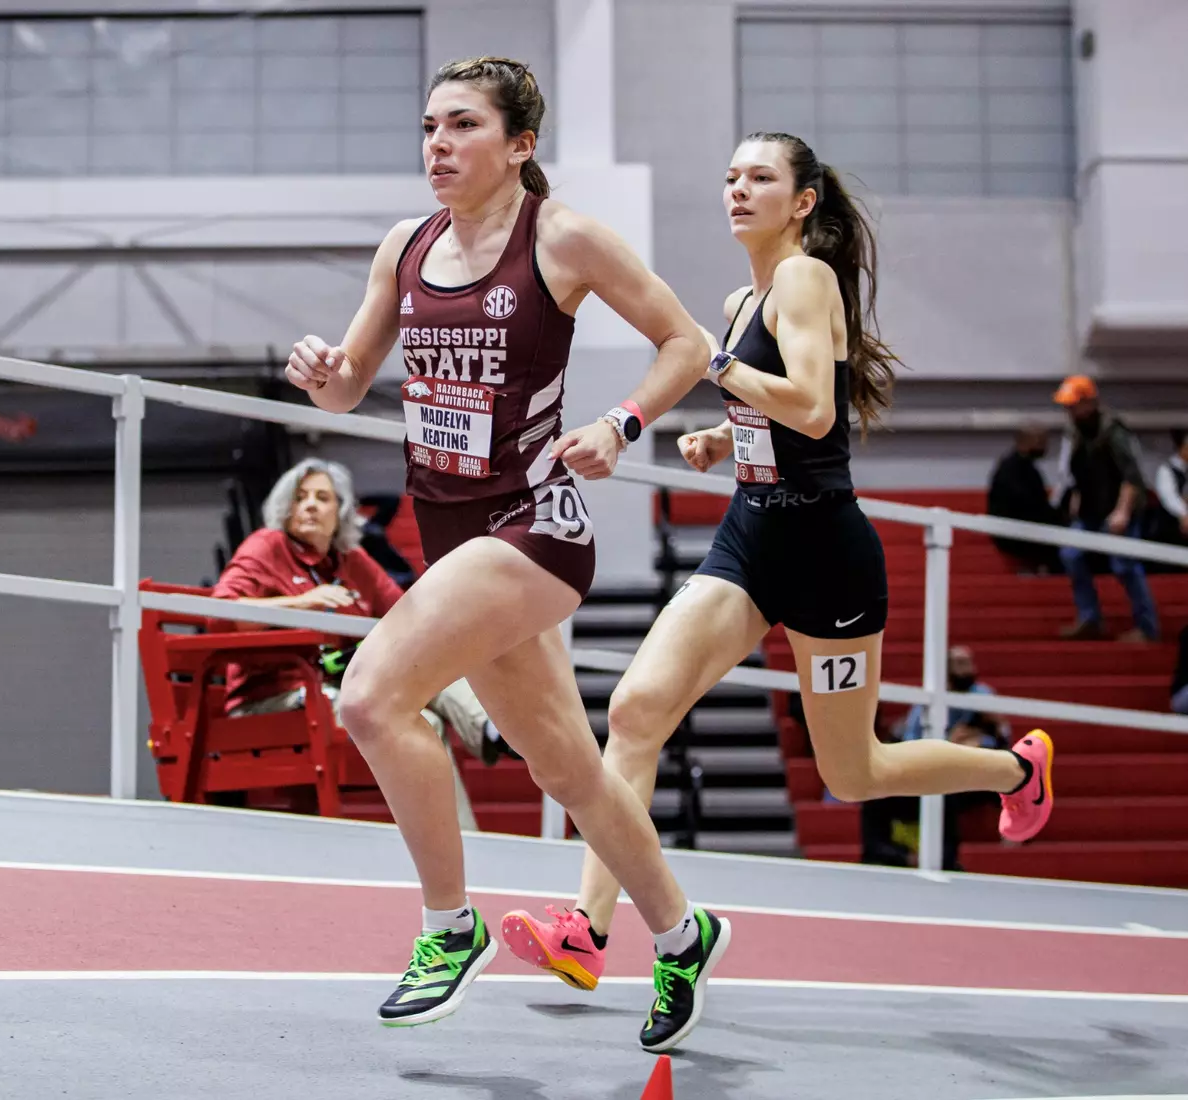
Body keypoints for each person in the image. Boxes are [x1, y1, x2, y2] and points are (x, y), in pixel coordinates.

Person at [498, 132, 1057, 1049]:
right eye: (729, 176)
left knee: (855, 772)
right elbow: (779, 413)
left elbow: (815, 409)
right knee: (636, 711)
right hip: (752, 538)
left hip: (826, 559)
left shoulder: (805, 278)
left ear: (801, 201)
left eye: (759, 177)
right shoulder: (741, 298)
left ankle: (1015, 768)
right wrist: (723, 439)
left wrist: (714, 369)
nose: (737, 189)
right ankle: (587, 930)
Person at [282, 56, 718, 1042]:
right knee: (563, 763)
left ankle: (447, 925)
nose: (436, 144)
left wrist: (620, 421)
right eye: (429, 125)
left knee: (369, 696)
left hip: (531, 528)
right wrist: (323, 371)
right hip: (442, 526)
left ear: (519, 143)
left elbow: (685, 341)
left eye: (462, 125)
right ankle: (682, 930)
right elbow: (350, 384)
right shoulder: (406, 245)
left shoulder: (559, 238)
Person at [210, 457, 505, 828]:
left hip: (341, 692)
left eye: (322, 497)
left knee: (426, 697)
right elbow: (218, 613)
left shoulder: (352, 560)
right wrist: (297, 603)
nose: (311, 505)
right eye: (301, 497)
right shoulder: (266, 546)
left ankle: (484, 764)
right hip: (275, 698)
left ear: (342, 511)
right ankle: (495, 733)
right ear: (286, 507)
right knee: (418, 713)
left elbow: (406, 615)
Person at [861, 646, 1013, 869]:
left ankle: (1012, 825)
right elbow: (911, 744)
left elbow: (997, 739)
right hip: (929, 769)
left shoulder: (982, 695)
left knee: (1005, 765)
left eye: (970, 663)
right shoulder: (929, 699)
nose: (969, 669)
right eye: (961, 664)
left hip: (966, 771)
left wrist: (990, 732)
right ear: (946, 669)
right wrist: (950, 744)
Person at [1051, 375, 1158, 642]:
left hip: (1119, 508)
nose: (1070, 410)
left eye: (1074, 404)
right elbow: (1076, 470)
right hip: (1091, 509)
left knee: (1124, 565)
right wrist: (1075, 496)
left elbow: (1132, 477)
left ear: (1090, 402)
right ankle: (1090, 618)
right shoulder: (1075, 433)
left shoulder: (1115, 431)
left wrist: (1122, 511)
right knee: (1071, 554)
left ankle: (1147, 627)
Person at [987, 427, 1063, 574]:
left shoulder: (1027, 468)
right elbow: (1027, 505)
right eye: (1040, 442)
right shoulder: (1011, 470)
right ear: (1024, 442)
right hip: (1015, 531)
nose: (1044, 447)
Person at [1148, 429, 1188, 547]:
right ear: (1182, 448)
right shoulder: (1166, 470)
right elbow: (1169, 497)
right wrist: (1184, 514)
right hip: (1169, 529)